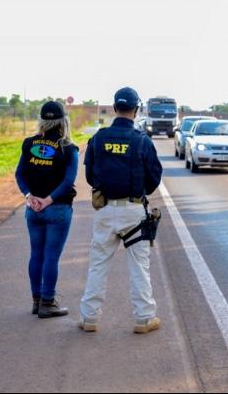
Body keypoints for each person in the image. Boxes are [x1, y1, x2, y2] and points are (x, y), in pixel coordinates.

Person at [79, 87, 163, 334]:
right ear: (136, 110)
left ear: (115, 108)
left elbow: (89, 173)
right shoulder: (141, 140)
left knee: (98, 265)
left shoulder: (98, 138)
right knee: (139, 267)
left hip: (105, 210)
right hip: (134, 212)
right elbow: (154, 177)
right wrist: (138, 192)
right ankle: (145, 318)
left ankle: (89, 318)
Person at [15, 100, 79, 318]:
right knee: (51, 256)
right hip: (57, 209)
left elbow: (19, 174)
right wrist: (49, 200)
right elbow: (69, 180)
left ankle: (36, 300)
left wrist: (29, 196)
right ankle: (48, 302)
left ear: (41, 120)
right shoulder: (69, 148)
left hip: (33, 209)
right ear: (64, 121)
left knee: (37, 254)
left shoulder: (28, 143)